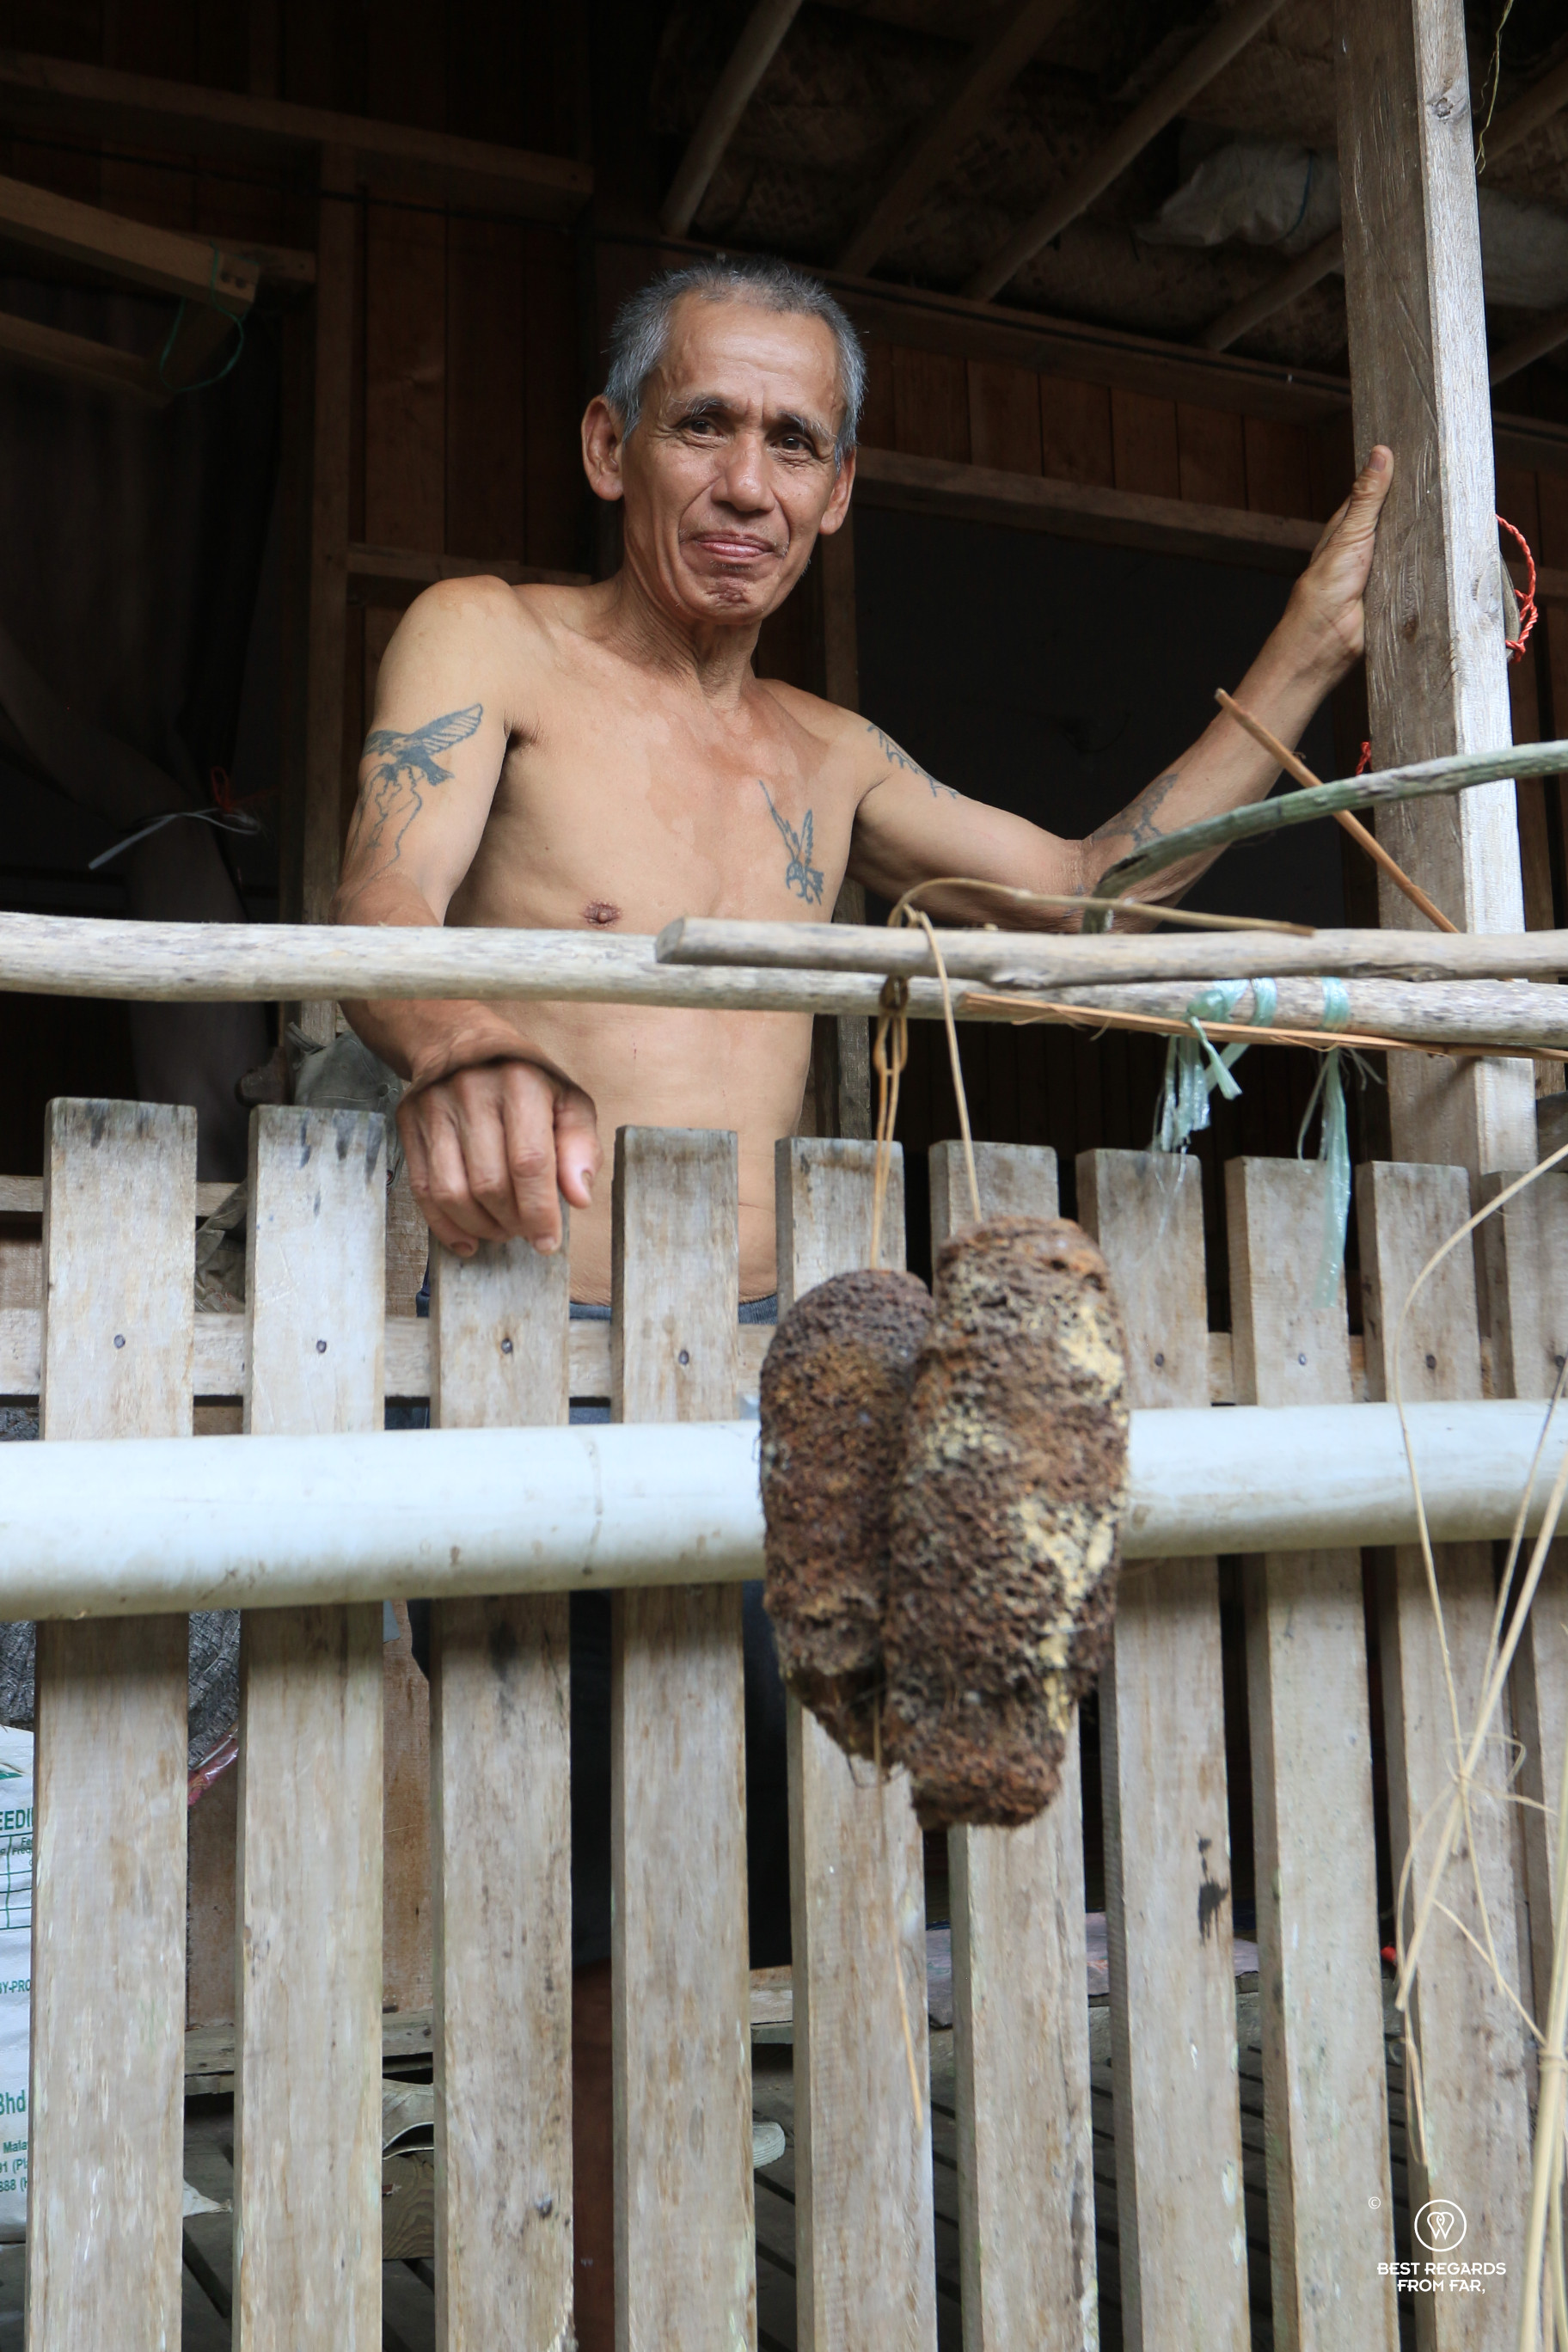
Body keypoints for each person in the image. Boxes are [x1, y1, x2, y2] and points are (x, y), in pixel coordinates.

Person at [333, 254, 1392, 2344]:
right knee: (557, 1901)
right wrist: (459, 1042)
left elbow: (1080, 891)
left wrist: (1314, 639)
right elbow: (380, 902)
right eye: (706, 425)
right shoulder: (495, 642)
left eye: (793, 442)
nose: (745, 477)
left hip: (763, 1412)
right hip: (526, 1370)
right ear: (608, 446)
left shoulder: (831, 756)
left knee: (746, 1897)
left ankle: (711, 2289)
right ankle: (587, 2297)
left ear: (838, 496)